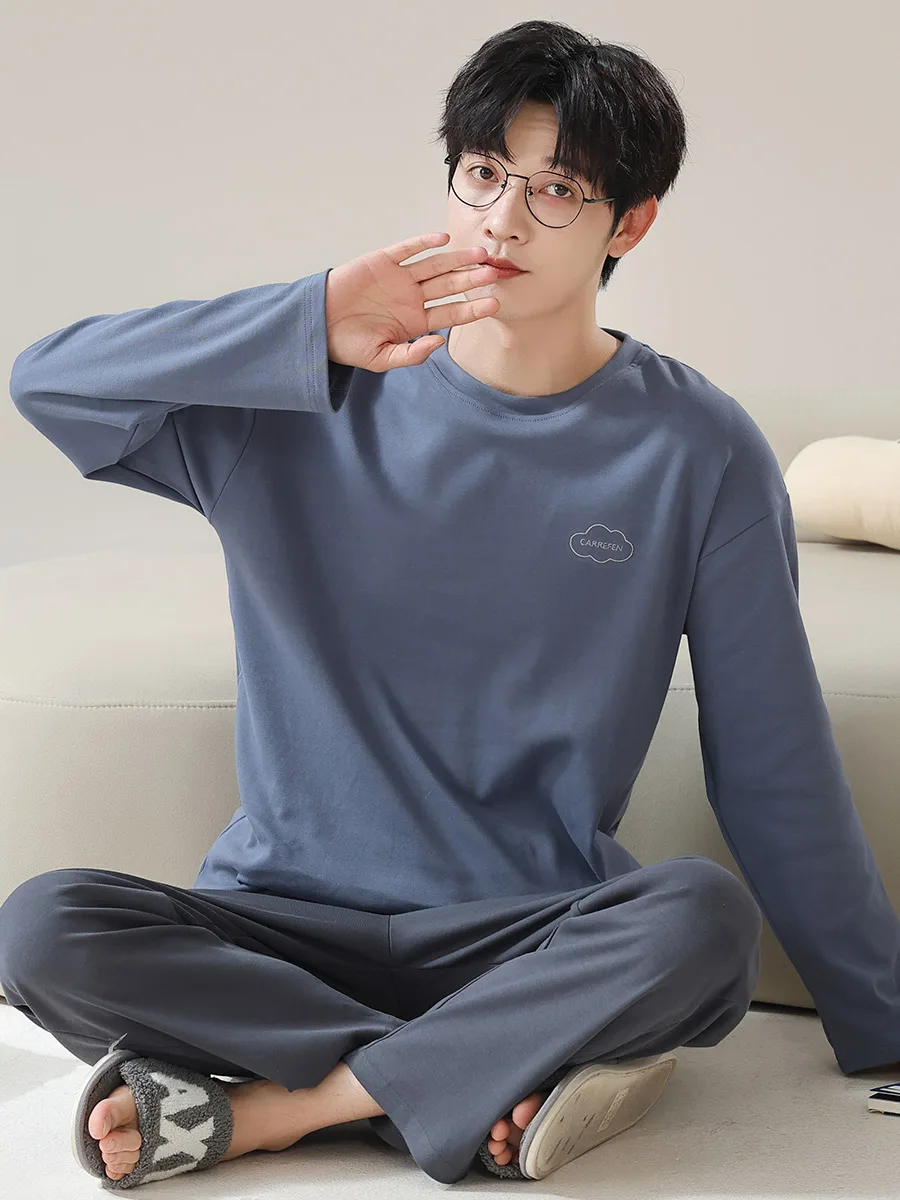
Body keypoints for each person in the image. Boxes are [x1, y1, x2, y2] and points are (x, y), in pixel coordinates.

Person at [2, 15, 899, 1192]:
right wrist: (312, 313)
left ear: (632, 223)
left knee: (701, 923)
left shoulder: (699, 448)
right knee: (42, 925)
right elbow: (49, 384)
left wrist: (880, 1017)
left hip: (526, 934)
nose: (503, 221)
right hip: (282, 924)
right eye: (483, 173)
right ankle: (473, 1079)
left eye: (557, 189)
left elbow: (772, 757)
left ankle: (279, 1108)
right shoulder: (297, 401)